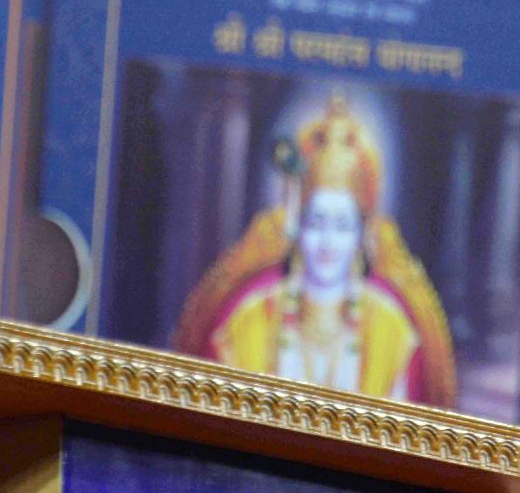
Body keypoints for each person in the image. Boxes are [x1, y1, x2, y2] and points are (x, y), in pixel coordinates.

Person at [173, 97, 456, 406]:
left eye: (342, 226)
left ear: (361, 235)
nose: (327, 242)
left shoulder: (390, 328)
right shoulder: (251, 320)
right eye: (317, 223)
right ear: (297, 227)